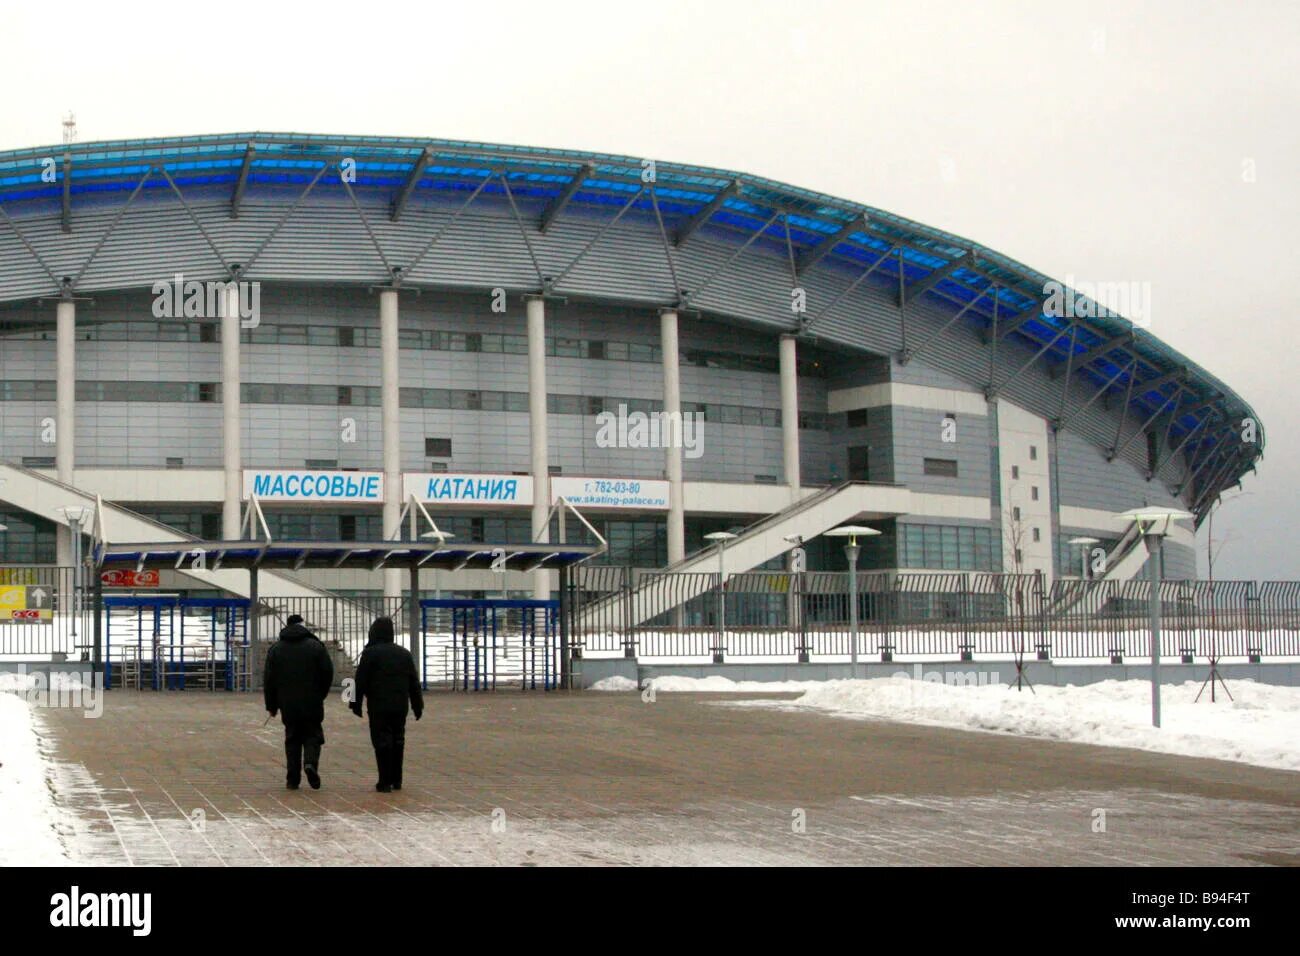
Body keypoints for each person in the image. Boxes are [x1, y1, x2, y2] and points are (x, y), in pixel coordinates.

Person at [351, 616, 423, 793]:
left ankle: (384, 781)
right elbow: (413, 682)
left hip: (378, 705)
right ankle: (396, 779)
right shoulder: (404, 653)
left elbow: (360, 680)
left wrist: (356, 703)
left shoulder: (370, 653)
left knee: (382, 740)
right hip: (400, 705)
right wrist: (417, 704)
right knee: (398, 739)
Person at [264, 614, 334, 790]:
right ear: (303, 626)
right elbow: (327, 672)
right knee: (313, 734)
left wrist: (272, 706)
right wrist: (321, 694)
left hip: (288, 703)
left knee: (292, 738)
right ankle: (310, 764)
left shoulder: (276, 649)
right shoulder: (316, 647)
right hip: (312, 701)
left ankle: (292, 779)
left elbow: (269, 680)